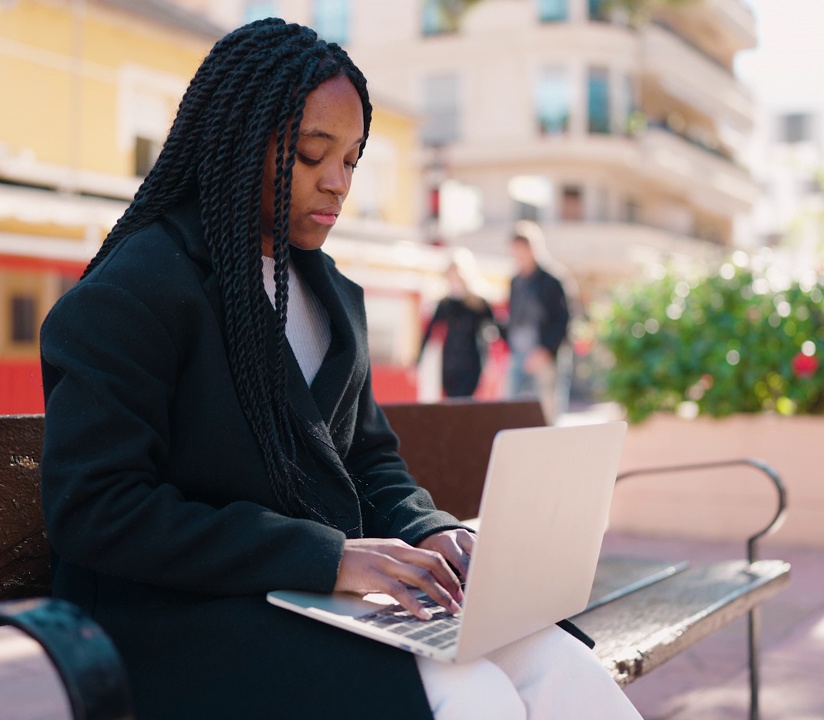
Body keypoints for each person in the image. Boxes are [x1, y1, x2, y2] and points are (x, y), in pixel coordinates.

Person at [39, 19, 642, 720]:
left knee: (557, 664)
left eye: (353, 159)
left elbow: (367, 459)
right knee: (467, 694)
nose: (338, 182)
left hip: (305, 600)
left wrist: (430, 533)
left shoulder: (328, 294)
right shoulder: (134, 293)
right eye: (311, 153)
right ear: (234, 143)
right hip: (174, 622)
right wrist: (327, 559)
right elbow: (96, 510)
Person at [503, 222, 572, 422]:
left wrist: (545, 349)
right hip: (518, 356)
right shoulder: (515, 281)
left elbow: (564, 320)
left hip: (545, 358)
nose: (518, 256)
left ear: (533, 249)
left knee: (547, 414)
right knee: (513, 412)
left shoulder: (553, 280)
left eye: (521, 251)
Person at [416, 250, 496, 398]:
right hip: (450, 362)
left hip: (472, 360)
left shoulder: (479, 303)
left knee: (467, 402)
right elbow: (430, 331)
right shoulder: (445, 303)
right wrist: (418, 359)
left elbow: (495, 327)